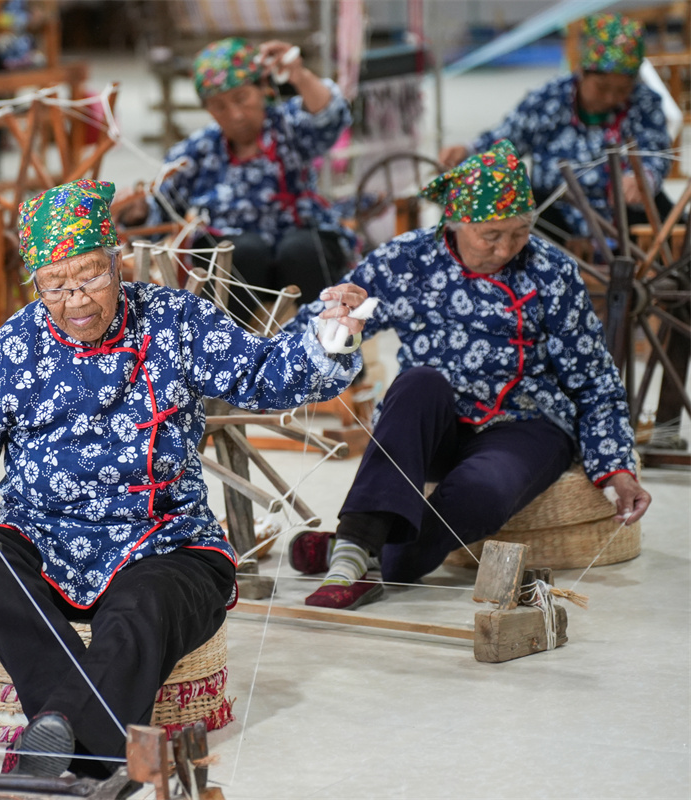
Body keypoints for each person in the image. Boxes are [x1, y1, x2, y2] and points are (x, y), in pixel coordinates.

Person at [0, 179, 367, 778]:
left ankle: (58, 745)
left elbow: (268, 376)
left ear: (120, 262)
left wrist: (327, 332)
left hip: (166, 544)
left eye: (90, 276)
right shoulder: (13, 346)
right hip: (45, 541)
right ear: (34, 284)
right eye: (55, 285)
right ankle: (78, 739)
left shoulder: (175, 320)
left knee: (145, 605)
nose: (76, 299)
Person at [284, 141, 651, 611]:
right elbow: (328, 321)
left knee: (484, 491)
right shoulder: (408, 260)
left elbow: (594, 378)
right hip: (436, 424)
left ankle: (368, 554)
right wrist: (323, 330)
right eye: (490, 235)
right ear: (455, 224)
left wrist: (616, 467)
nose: (505, 248)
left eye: (520, 233)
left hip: (526, 424)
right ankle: (355, 547)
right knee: (418, 382)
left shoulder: (551, 271)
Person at [119, 37, 355, 322]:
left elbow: (329, 118)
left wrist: (299, 74)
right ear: (207, 109)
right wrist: (137, 212)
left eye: (242, 98)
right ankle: (224, 355)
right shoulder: (197, 152)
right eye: (219, 106)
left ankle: (332, 348)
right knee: (241, 251)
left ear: (264, 89)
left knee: (301, 249)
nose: (235, 114)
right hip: (241, 267)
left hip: (299, 256)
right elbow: (162, 211)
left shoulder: (289, 126)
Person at [438, 13, 671, 247]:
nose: (611, 97)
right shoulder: (549, 99)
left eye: (622, 89)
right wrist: (469, 150)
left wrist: (643, 178)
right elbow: (508, 140)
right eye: (602, 87)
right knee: (514, 222)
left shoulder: (644, 103)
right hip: (555, 213)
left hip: (623, 214)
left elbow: (655, 151)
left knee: (673, 231)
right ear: (581, 71)